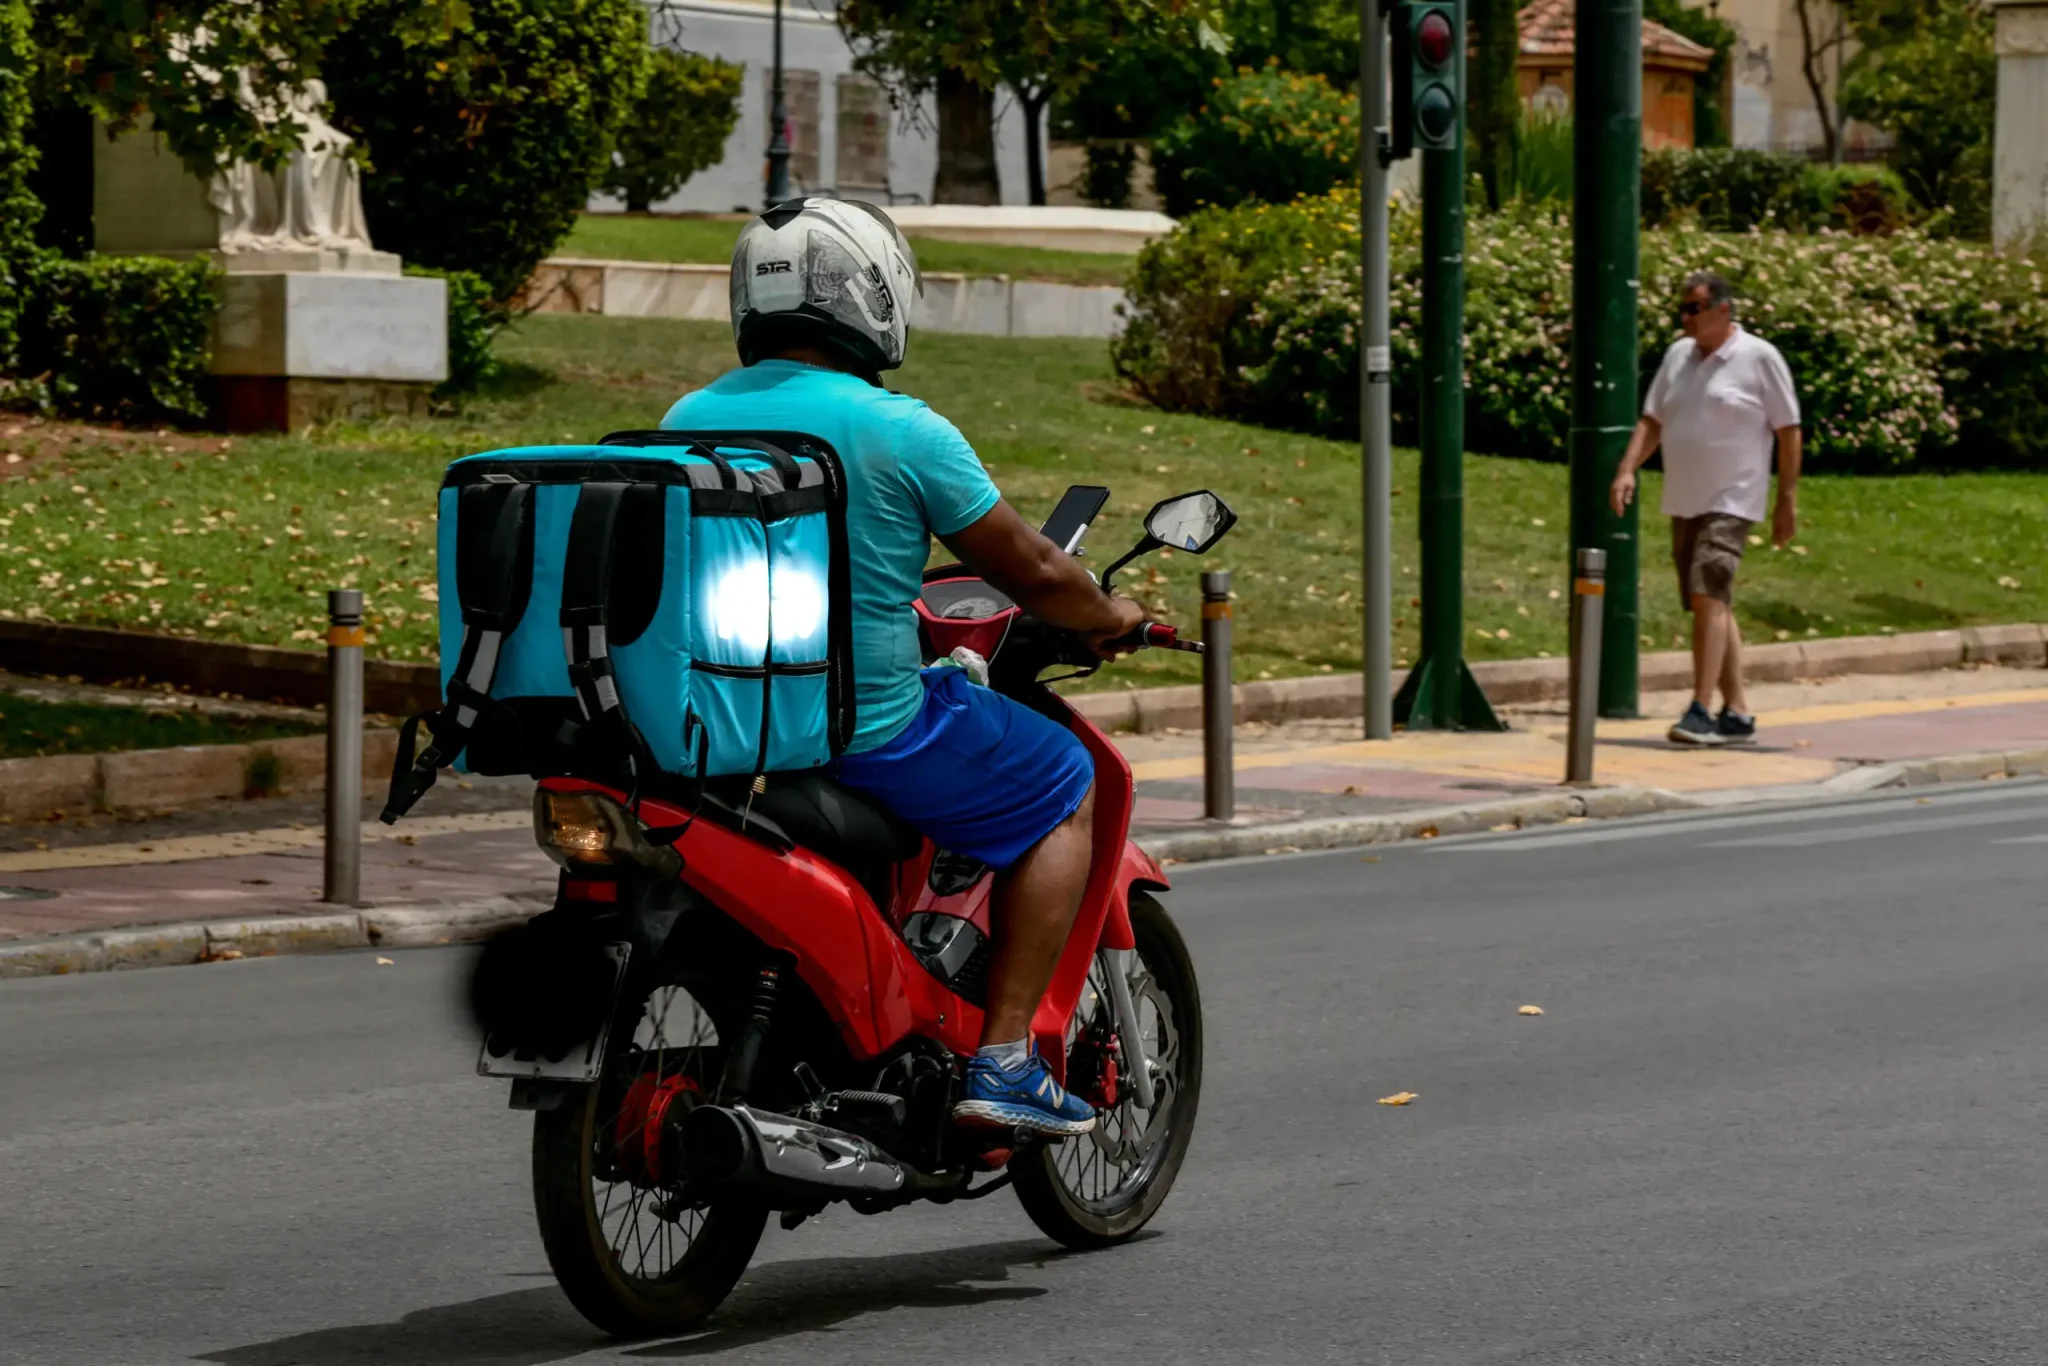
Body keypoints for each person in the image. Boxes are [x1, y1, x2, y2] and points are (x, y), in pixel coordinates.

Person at [661, 199, 1144, 1136]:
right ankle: (1006, 1060)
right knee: (1065, 778)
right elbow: (1037, 571)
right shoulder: (901, 428)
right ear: (871, 294)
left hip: (723, 718)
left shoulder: (688, 416)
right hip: (864, 727)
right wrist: (1111, 614)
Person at [1610, 270, 1802, 747]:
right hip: (1686, 498)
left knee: (1708, 594)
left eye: (1694, 308)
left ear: (1723, 309)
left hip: (1732, 499)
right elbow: (1653, 420)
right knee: (1711, 601)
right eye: (1682, 309)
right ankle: (1736, 710)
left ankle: (1700, 710)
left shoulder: (1759, 357)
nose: (1686, 318)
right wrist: (1628, 469)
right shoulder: (1678, 356)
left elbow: (1789, 430)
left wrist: (1786, 499)